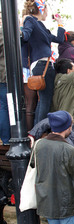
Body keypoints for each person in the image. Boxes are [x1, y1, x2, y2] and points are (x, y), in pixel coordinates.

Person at [20, 0, 65, 124]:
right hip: (42, 64)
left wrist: (60, 24)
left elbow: (59, 39)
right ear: (41, 9)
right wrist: (21, 26)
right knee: (45, 100)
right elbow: (24, 36)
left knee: (43, 100)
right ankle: (37, 132)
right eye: (46, 9)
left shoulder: (40, 25)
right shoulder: (31, 20)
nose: (47, 13)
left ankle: (36, 130)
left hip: (43, 64)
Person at [0, 16, 10, 145]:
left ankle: (6, 139)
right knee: (5, 107)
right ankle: (7, 139)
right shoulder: (3, 32)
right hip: (3, 76)